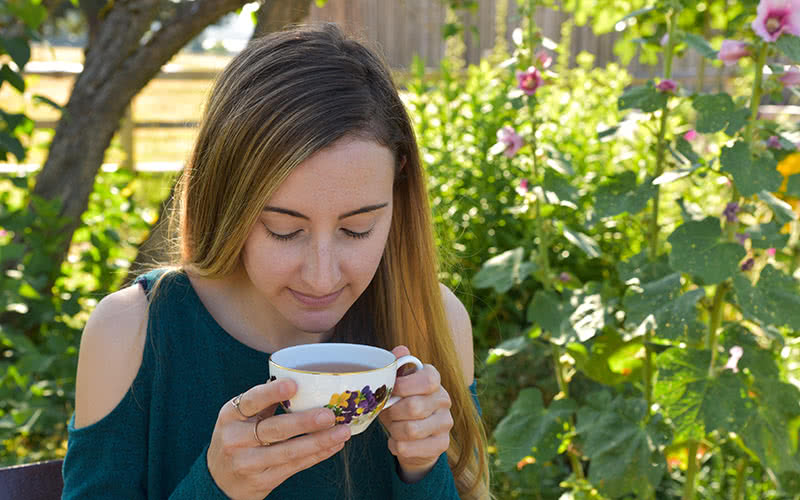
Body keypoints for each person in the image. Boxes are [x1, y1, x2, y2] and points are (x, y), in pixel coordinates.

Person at [62, 23, 489, 500]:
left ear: (398, 188)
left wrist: (420, 469)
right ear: (228, 202)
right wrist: (216, 487)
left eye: (357, 229)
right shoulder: (130, 334)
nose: (322, 275)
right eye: (284, 230)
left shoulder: (433, 321)